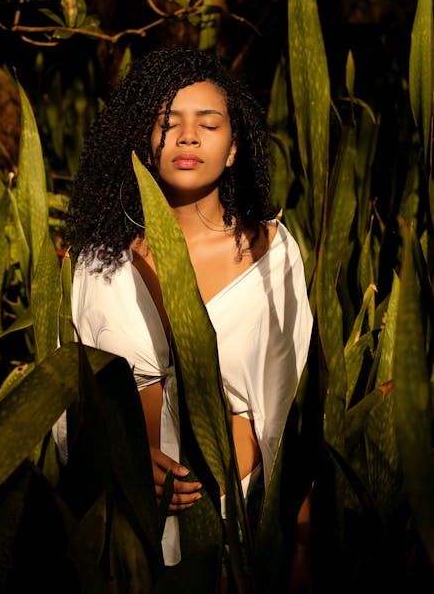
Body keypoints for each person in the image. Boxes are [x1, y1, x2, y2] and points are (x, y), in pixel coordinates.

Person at [53, 47, 313, 577]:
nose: (188, 136)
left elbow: (293, 396)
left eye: (208, 124)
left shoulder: (273, 253)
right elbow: (68, 390)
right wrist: (114, 460)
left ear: (234, 147)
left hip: (232, 516)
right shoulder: (98, 259)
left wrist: (298, 543)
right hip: (124, 514)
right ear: (147, 145)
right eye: (169, 123)